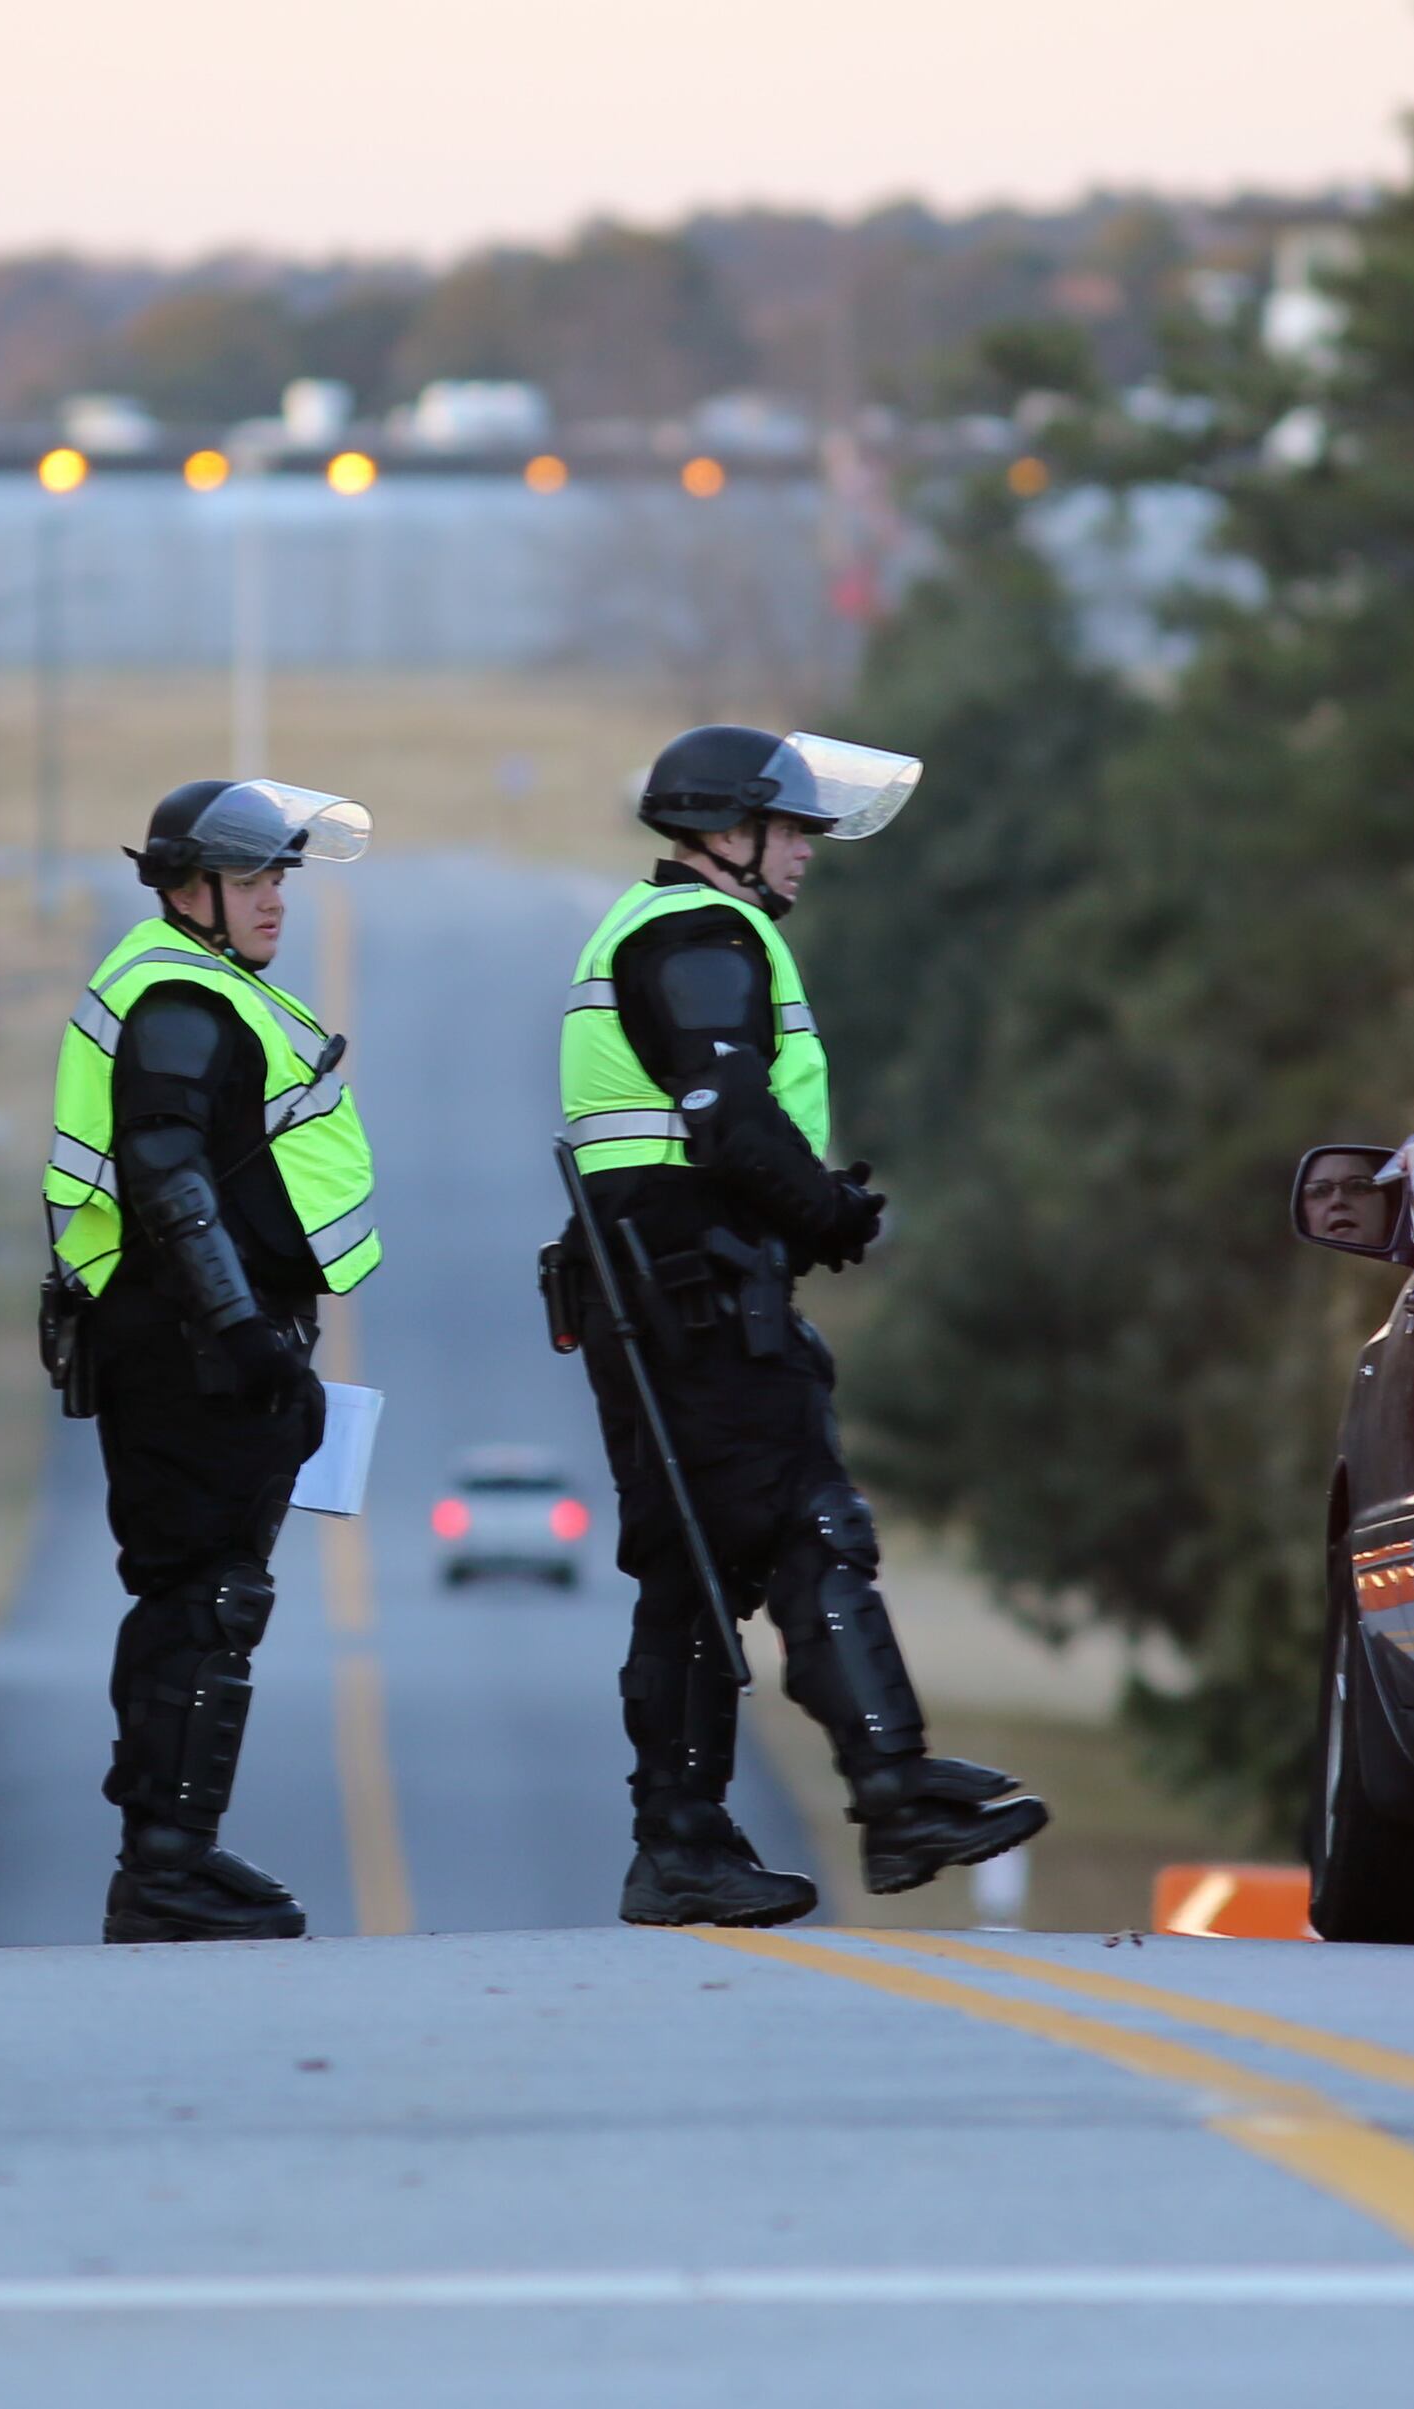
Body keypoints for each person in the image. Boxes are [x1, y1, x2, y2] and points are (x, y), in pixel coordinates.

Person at [557, 724, 1048, 1927]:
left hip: (663, 1295)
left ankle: (688, 1841)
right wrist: (832, 1211)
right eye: (793, 829)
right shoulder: (702, 935)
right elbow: (729, 1113)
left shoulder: (658, 927)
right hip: (701, 1300)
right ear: (728, 833)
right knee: (808, 1528)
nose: (810, 852)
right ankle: (889, 1793)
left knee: (694, 1570)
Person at [41, 779, 381, 1943]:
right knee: (204, 1594)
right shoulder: (179, 996)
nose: (277, 898)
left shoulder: (208, 988)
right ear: (191, 891)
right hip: (185, 1345)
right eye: (252, 879)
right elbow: (168, 1178)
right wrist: (239, 1327)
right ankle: (166, 1864)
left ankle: (172, 1852)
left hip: (199, 1339)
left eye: (282, 875)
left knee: (201, 1593)